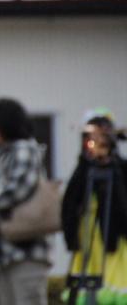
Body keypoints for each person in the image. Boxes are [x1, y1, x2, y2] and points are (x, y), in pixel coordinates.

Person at [0, 98, 51, 305]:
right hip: (5, 254)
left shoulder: (24, 149)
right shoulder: (1, 154)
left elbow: (18, 189)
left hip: (25, 252)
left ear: (5, 123)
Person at [62, 110, 127, 305]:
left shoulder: (120, 167)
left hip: (114, 242)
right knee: (88, 294)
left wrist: (110, 165)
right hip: (87, 239)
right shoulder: (83, 168)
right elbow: (70, 202)